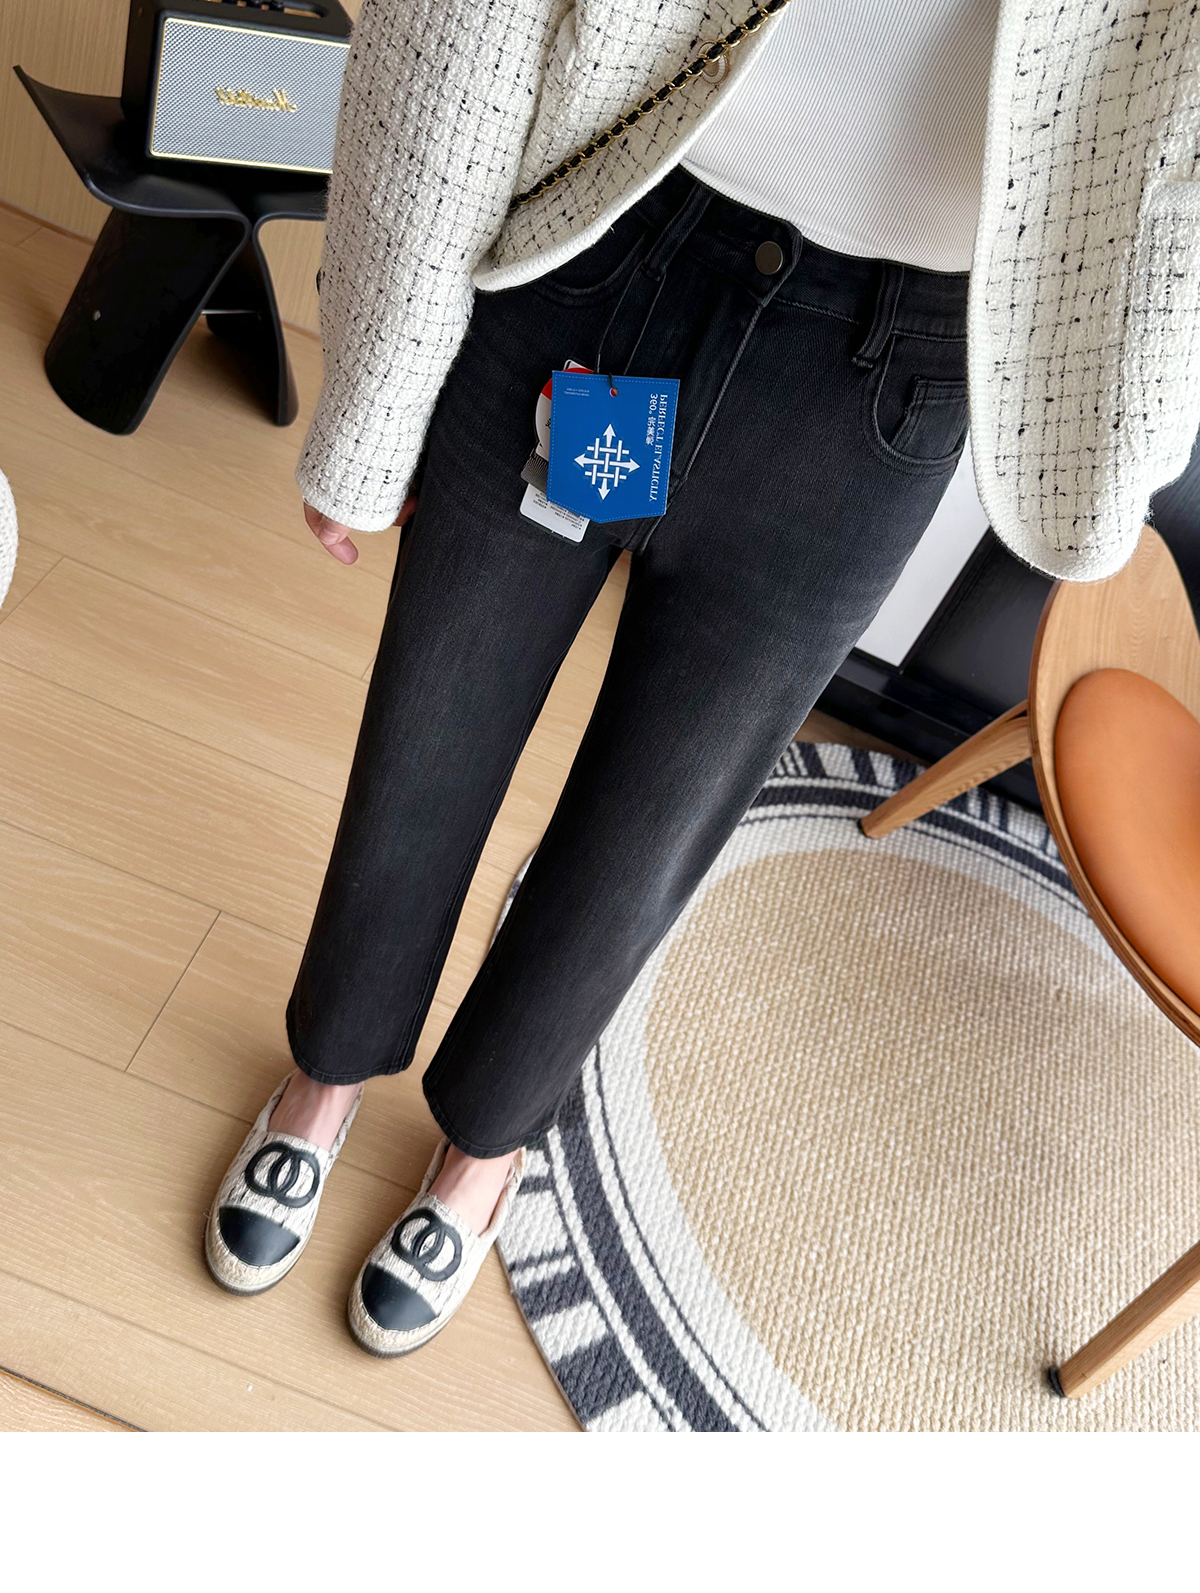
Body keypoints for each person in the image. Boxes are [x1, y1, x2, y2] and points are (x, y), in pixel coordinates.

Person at [205, 0, 1200, 1357]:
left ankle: (484, 1147)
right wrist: (377, 391)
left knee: (655, 823)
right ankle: (325, 1074)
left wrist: (1125, 441)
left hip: (891, 371)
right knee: (428, 732)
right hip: (607, 230)